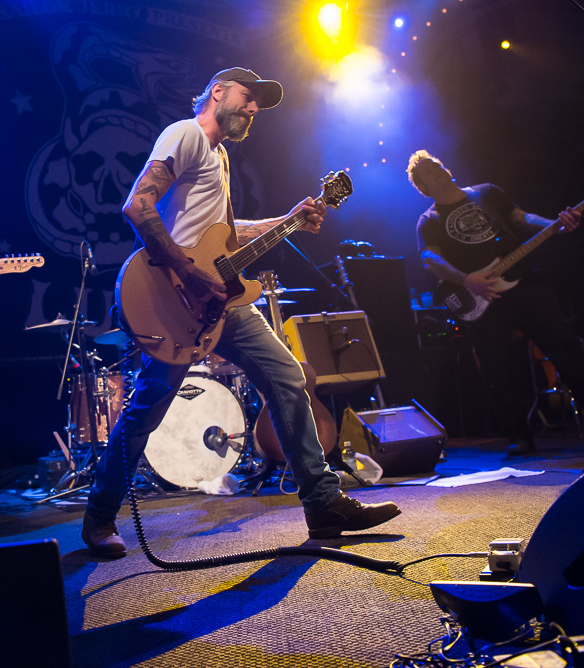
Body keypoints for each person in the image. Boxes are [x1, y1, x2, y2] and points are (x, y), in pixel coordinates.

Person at [81, 68, 402, 558]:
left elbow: (225, 237)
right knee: (147, 410)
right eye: (248, 98)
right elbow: (138, 207)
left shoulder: (221, 156)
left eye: (258, 105)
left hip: (220, 304)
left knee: (288, 377)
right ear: (218, 92)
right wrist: (189, 274)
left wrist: (289, 220)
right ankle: (100, 516)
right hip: (174, 298)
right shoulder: (185, 134)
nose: (254, 110)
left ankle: (323, 504)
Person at [407, 150, 584, 454]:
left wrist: (555, 224)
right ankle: (518, 435)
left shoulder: (485, 193)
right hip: (480, 294)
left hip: (523, 282)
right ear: (423, 188)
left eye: (436, 164)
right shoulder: (428, 220)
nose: (436, 169)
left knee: (564, 344)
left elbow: (521, 219)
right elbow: (429, 257)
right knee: (497, 368)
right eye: (428, 171)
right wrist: (466, 280)